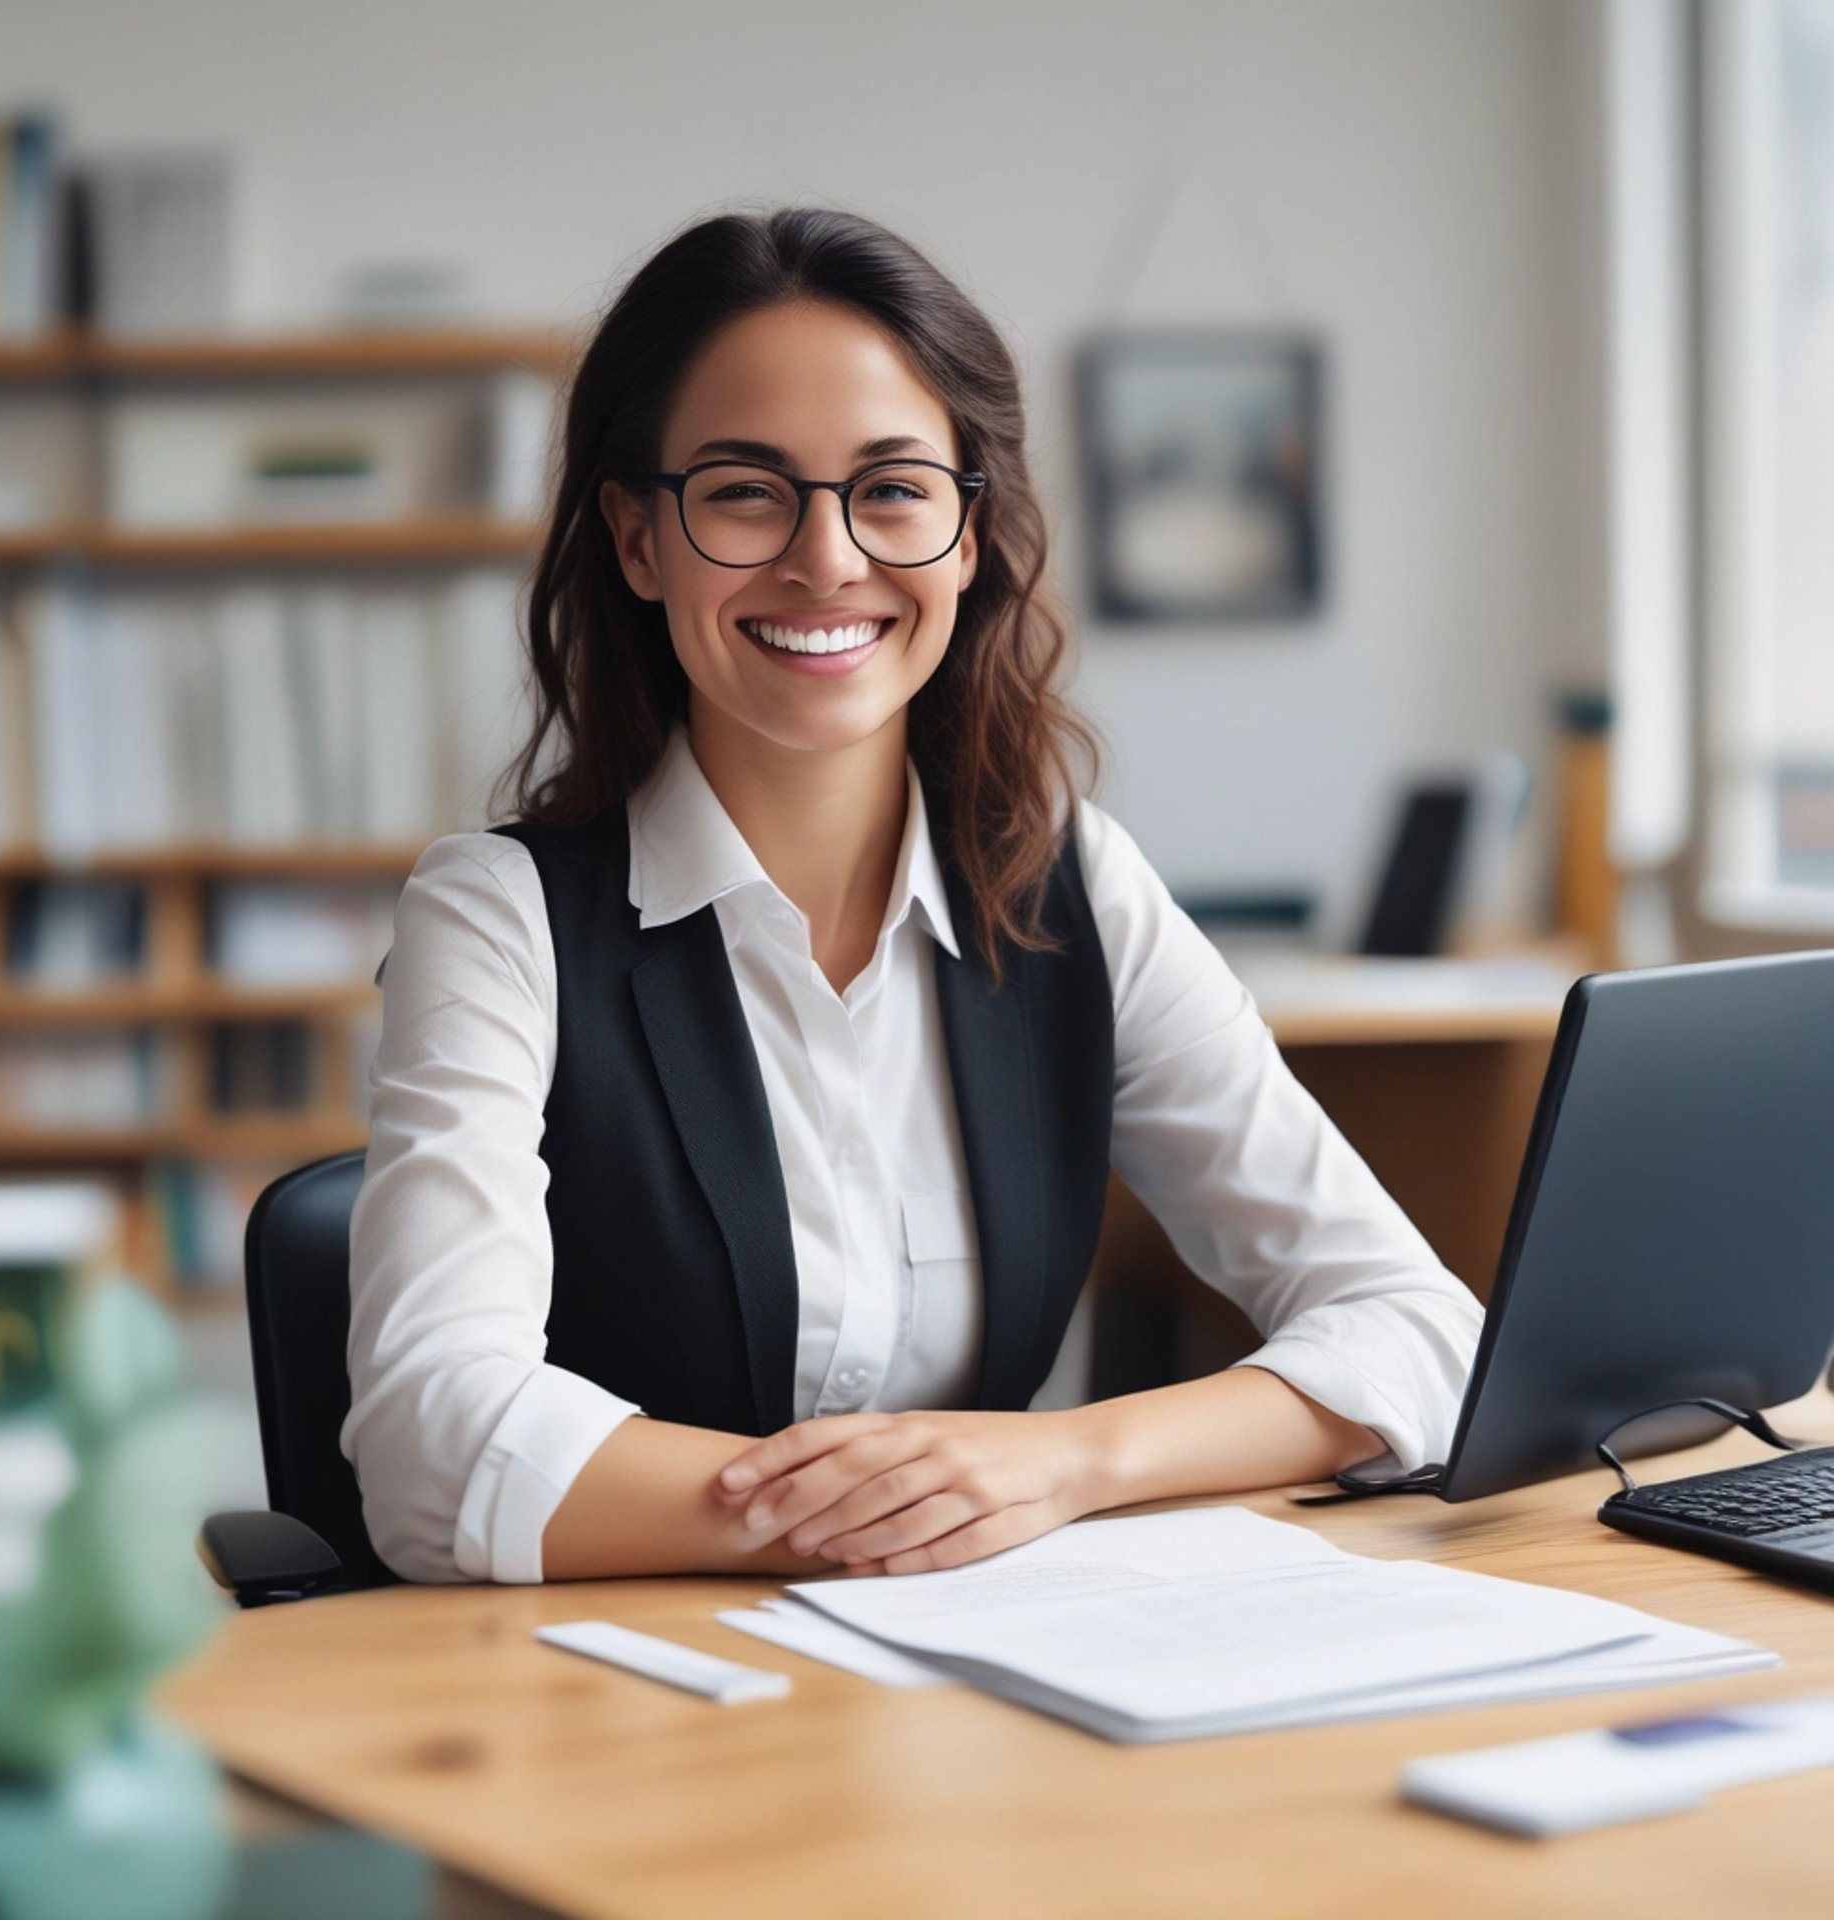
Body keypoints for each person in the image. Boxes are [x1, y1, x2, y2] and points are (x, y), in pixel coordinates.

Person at [340, 206, 1484, 1587]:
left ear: (966, 536)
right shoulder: (498, 920)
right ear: (640, 541)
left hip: (978, 1694)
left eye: (890, 488)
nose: (826, 560)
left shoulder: (1072, 888)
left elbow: (1418, 1326)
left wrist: (1059, 1464)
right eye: (746, 490)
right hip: (617, 1711)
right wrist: (905, 1508)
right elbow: (429, 1446)